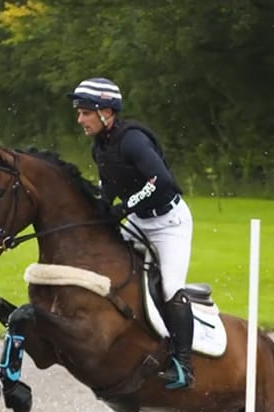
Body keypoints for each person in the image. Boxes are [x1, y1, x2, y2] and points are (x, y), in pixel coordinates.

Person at [68, 77, 195, 389]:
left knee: (170, 288)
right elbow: (110, 185)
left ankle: (183, 364)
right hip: (139, 221)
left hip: (169, 225)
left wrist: (123, 207)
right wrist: (98, 208)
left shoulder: (133, 140)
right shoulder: (101, 146)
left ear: (106, 112)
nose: (80, 119)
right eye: (80, 112)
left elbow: (160, 182)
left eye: (85, 112)